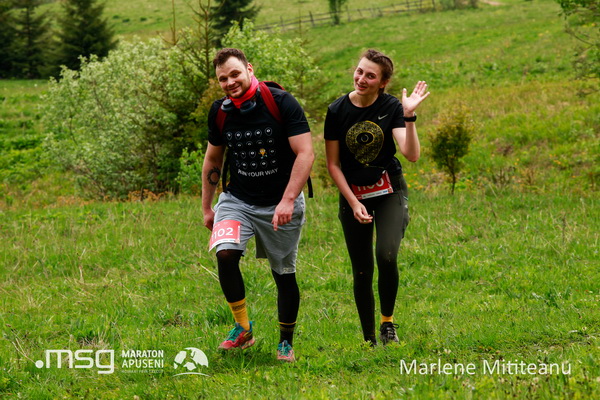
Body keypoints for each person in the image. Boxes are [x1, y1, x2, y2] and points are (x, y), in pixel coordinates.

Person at [202, 48, 314, 362]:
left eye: (235, 74)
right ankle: (243, 328)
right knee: (225, 253)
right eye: (222, 79)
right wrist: (207, 207)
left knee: (283, 273)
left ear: (249, 69)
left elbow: (306, 153)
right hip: (237, 199)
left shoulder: (281, 102)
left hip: (281, 203)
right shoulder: (220, 111)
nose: (229, 82)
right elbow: (213, 159)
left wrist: (288, 201)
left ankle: (285, 343)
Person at [324, 49, 430, 346]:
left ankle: (387, 324)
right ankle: (369, 338)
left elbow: (411, 154)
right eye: (359, 71)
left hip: (388, 189)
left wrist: (409, 116)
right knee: (362, 269)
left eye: (370, 76)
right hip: (353, 194)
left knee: (386, 255)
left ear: (382, 83)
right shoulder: (337, 110)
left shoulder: (391, 106)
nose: (361, 79)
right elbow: (333, 165)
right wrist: (353, 202)